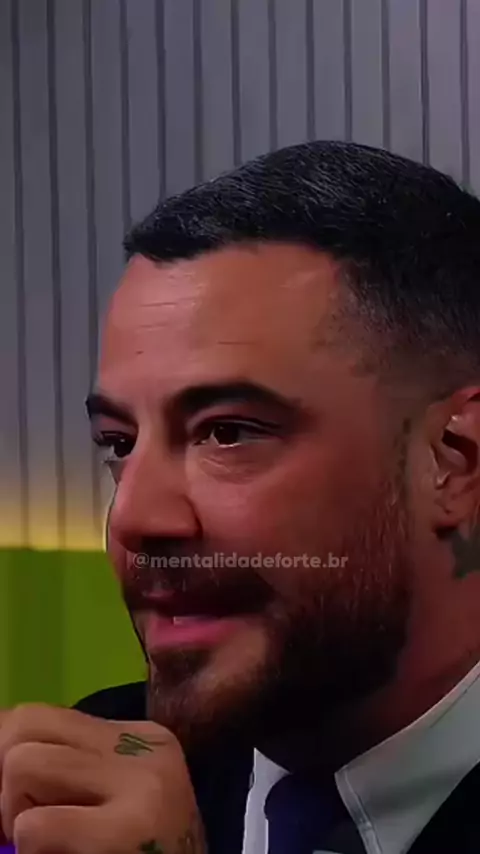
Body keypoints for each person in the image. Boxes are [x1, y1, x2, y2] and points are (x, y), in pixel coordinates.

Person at [3, 140, 480, 854]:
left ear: (454, 462)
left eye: (227, 432)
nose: (133, 518)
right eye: (120, 443)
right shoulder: (81, 781)